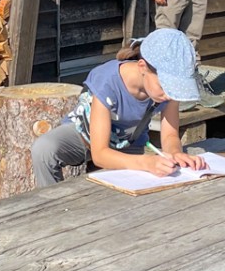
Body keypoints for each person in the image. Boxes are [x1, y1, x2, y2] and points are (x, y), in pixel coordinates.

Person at [31, 29, 207, 187]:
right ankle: (51, 207)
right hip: (85, 136)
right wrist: (146, 163)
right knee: (44, 149)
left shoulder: (166, 92)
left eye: (175, 89)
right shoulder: (106, 80)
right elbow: (100, 154)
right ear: (143, 67)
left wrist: (175, 153)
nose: (169, 96)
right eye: (165, 87)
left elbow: (169, 135)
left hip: (128, 143)